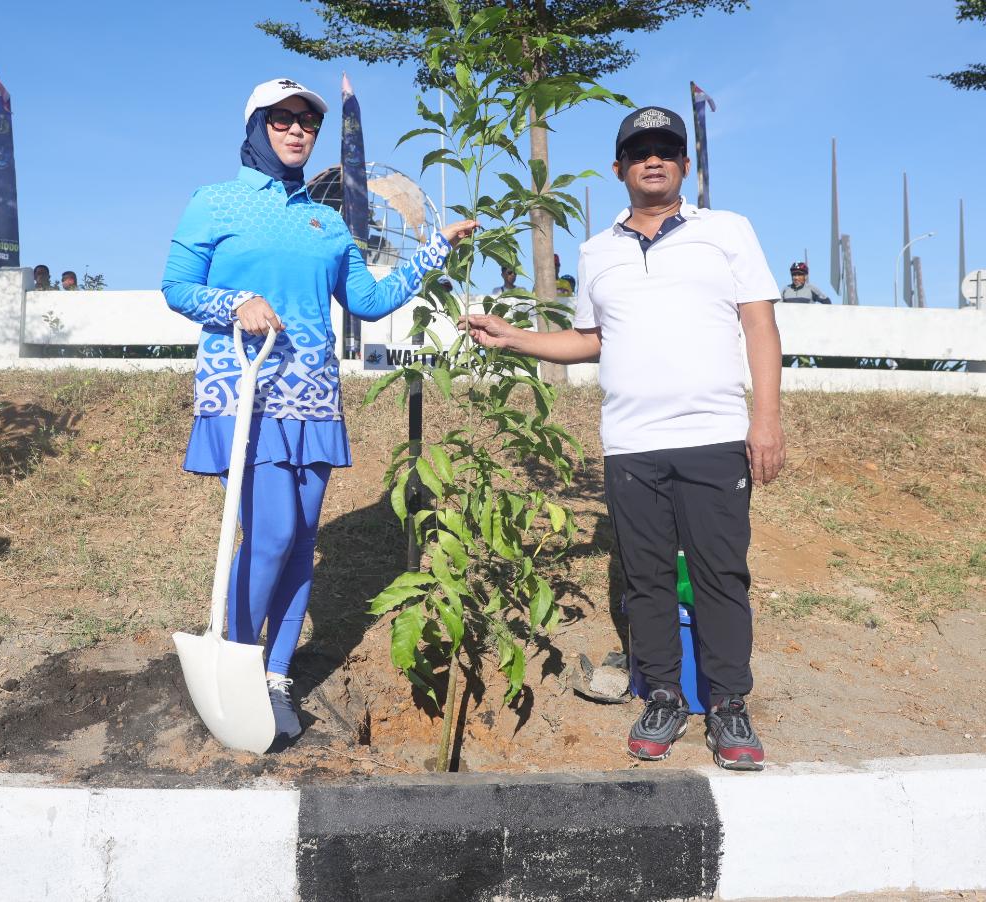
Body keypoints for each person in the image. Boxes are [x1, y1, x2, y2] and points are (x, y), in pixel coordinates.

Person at [464, 105, 784, 771]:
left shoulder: (726, 231)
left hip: (714, 435)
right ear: (620, 169)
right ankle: (662, 694)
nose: (654, 160)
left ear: (685, 165)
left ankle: (727, 705)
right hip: (632, 444)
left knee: (721, 573)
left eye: (667, 149)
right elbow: (592, 339)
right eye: (640, 152)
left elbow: (758, 326)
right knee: (646, 578)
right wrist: (514, 336)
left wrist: (766, 420)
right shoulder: (596, 250)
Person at [162, 77, 477, 742]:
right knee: (271, 535)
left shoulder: (327, 220)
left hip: (312, 391)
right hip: (244, 387)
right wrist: (232, 304)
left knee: (301, 543)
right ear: (257, 127)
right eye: (282, 119)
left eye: (308, 120)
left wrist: (436, 250)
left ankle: (276, 676)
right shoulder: (214, 202)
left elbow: (364, 299)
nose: (298, 129)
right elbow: (177, 287)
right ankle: (238, 667)